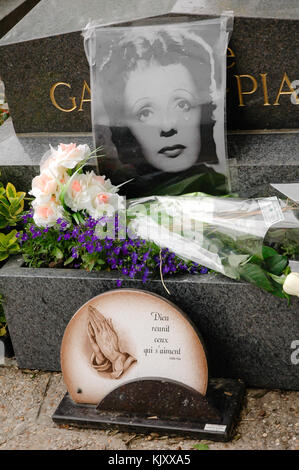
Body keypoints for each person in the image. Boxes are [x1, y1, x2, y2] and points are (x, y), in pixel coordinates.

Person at [93, 26, 228, 197]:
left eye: (182, 104)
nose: (167, 125)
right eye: (145, 113)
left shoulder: (222, 186)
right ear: (124, 126)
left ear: (204, 109)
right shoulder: (112, 201)